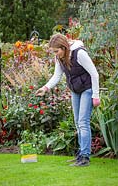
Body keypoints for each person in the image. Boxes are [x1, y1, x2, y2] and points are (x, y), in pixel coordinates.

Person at [36, 33, 100, 167]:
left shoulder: (79, 53)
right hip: (75, 90)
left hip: (87, 89)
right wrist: (45, 88)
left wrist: (96, 95)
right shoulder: (59, 58)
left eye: (57, 51)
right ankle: (81, 155)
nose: (56, 54)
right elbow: (57, 75)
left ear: (64, 47)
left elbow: (94, 73)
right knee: (77, 122)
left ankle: (85, 157)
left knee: (83, 122)